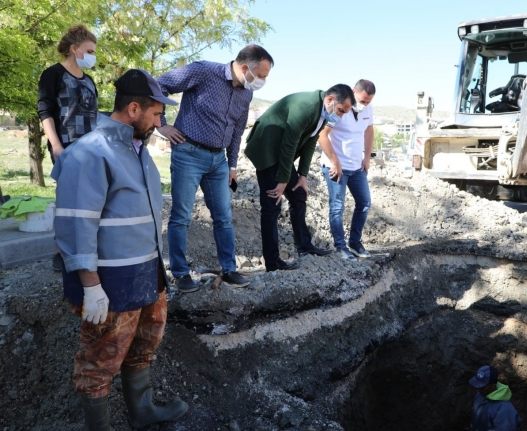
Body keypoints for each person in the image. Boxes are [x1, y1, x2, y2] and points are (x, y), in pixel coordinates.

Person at [52, 69, 187, 430]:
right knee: (99, 361)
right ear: (132, 109)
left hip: (146, 274)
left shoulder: (137, 150)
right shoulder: (90, 154)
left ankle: (141, 413)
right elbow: (76, 223)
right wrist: (91, 285)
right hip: (110, 281)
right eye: (157, 114)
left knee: (143, 347)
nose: (161, 122)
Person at [157, 44, 273, 293]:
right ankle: (180, 273)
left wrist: (232, 165)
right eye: (261, 75)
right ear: (244, 67)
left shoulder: (246, 94)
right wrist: (161, 124)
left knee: (224, 217)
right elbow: (159, 85)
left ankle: (229, 269)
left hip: (218, 161)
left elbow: (237, 130)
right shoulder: (203, 71)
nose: (262, 81)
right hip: (188, 153)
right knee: (182, 216)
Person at [244, 84, 355, 272]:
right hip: (267, 150)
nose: (341, 116)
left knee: (298, 194)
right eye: (341, 110)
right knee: (272, 204)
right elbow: (289, 143)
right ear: (330, 100)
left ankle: (304, 246)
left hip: (280, 153)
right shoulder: (306, 106)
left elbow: (311, 141)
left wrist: (302, 175)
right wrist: (283, 180)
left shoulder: (323, 112)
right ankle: (272, 262)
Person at [37, 24, 98, 272]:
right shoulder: (53, 74)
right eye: (90, 50)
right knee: (68, 200)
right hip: (67, 148)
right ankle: (59, 252)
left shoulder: (90, 80)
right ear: (74, 49)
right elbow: (45, 111)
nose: (93, 56)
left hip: (92, 150)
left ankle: (87, 249)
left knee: (91, 200)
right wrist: (56, 145)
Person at [319, 79, 376, 260]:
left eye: (368, 102)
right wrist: (335, 162)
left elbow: (369, 130)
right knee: (337, 207)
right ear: (353, 92)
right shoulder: (341, 109)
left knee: (364, 202)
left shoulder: (367, 110)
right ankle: (340, 246)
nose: (364, 104)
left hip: (357, 166)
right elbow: (323, 135)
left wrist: (366, 157)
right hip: (336, 167)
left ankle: (355, 242)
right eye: (362, 100)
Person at [468, 365, 521, 431]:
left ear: (492, 386)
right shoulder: (481, 393)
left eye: (482, 386)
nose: (478, 389)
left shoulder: (505, 410)